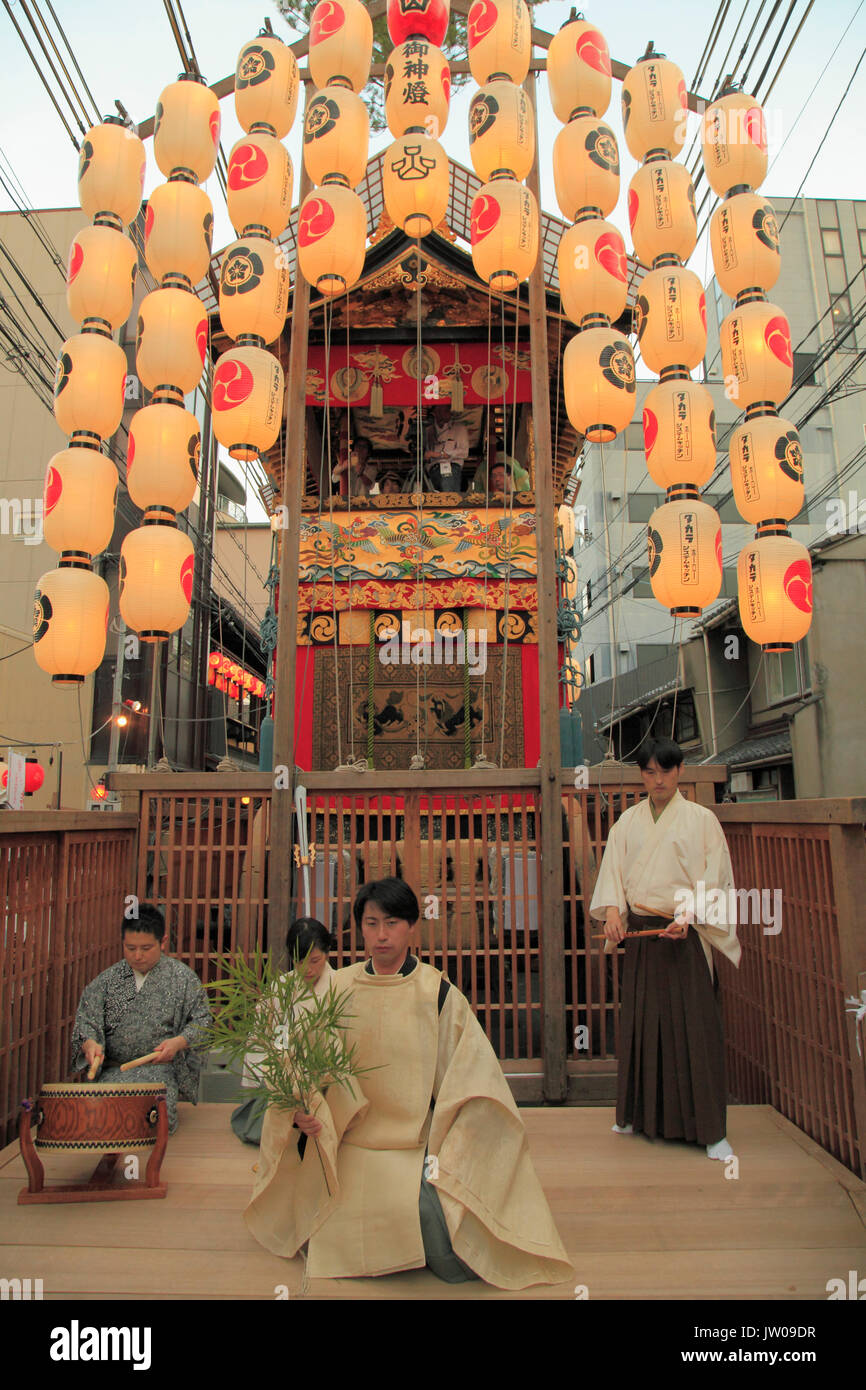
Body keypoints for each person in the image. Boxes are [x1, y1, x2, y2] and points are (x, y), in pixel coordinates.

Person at [245, 878, 572, 1289]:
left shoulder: (436, 992)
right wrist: (302, 1110)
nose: (381, 935)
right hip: (347, 1137)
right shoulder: (338, 989)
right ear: (359, 928)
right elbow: (302, 1065)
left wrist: (449, 1138)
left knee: (449, 1256)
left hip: (418, 1140)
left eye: (393, 923)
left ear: (413, 927)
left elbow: (474, 1080)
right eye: (371, 923)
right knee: (323, 1222)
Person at [589, 738, 741, 1159]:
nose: (658, 780)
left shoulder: (702, 820)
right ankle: (636, 1115)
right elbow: (613, 876)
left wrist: (689, 917)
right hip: (642, 936)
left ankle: (711, 1132)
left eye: (666, 771)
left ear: (680, 772)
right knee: (642, 1025)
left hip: (683, 935)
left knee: (696, 1026)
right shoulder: (627, 822)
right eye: (650, 772)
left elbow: (716, 876)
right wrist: (614, 915)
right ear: (642, 774)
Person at [71, 903, 211, 1134]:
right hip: (114, 1072)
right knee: (98, 1118)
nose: (137, 956)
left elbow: (203, 1021)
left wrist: (178, 1042)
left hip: (159, 1071)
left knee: (150, 1118)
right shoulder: (109, 981)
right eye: (130, 948)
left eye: (146, 948)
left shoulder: (182, 979)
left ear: (163, 942)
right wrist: (90, 1044)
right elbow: (86, 1022)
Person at [231, 917, 335, 1146]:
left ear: (327, 954)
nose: (307, 969)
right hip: (287, 1082)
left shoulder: (342, 987)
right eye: (299, 962)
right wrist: (284, 1077)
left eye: (315, 960)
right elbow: (267, 1042)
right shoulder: (280, 989)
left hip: (327, 1080)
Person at [424, 403, 469, 493]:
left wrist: (440, 454)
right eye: (438, 411)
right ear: (434, 412)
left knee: (448, 498)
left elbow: (464, 452)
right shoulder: (428, 430)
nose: (441, 414)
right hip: (432, 471)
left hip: (450, 468)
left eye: (444, 411)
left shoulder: (459, 428)